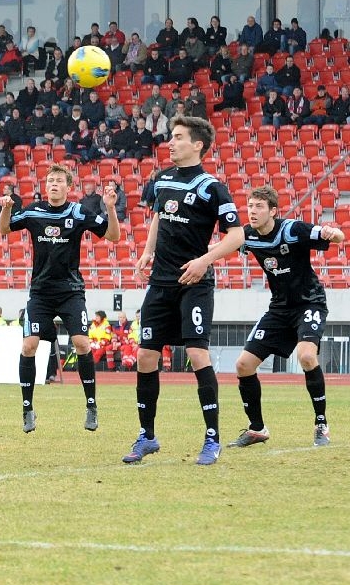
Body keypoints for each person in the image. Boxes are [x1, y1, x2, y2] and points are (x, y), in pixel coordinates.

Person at [124, 116, 244, 466]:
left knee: (196, 354)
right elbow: (158, 217)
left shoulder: (212, 187)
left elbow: (237, 236)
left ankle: (212, 439)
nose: (170, 143)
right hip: (160, 283)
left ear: (197, 145)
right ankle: (147, 436)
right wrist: (147, 251)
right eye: (171, 137)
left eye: (178, 137)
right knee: (146, 356)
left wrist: (204, 261)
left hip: (194, 283)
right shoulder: (161, 180)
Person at [0, 166, 120, 433]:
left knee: (82, 343)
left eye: (59, 181)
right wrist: (6, 208)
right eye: (50, 180)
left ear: (68, 186)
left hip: (70, 292)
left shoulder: (78, 212)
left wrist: (110, 208)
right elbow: (4, 229)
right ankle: (27, 408)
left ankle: (91, 405)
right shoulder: (33, 211)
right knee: (28, 346)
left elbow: (114, 236)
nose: (53, 184)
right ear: (45, 186)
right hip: (40, 293)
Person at [229, 186, 343, 449]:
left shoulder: (292, 230)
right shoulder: (247, 235)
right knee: (243, 365)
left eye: (259, 206)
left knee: (306, 356)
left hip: (310, 303)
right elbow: (223, 247)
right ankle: (257, 429)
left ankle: (321, 424)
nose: (252, 211)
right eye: (250, 206)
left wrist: (331, 232)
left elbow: (337, 236)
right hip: (279, 309)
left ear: (272, 211)